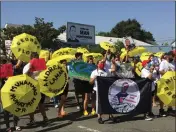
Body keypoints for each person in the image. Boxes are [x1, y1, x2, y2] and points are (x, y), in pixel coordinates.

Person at [90, 60, 119, 124]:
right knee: (99, 104)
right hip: (97, 90)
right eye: (101, 63)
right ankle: (99, 117)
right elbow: (90, 82)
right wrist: (95, 77)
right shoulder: (94, 72)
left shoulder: (106, 71)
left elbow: (114, 69)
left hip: (105, 90)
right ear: (97, 64)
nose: (102, 64)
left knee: (108, 102)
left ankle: (110, 116)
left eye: (103, 63)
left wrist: (114, 63)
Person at [23, 52, 48, 125]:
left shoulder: (41, 64)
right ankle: (43, 118)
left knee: (35, 104)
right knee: (37, 104)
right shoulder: (28, 65)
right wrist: (30, 69)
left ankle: (35, 119)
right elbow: (25, 76)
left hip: (36, 87)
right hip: (34, 86)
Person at [0, 59, 21, 132]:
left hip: (14, 92)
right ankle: (8, 127)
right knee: (6, 111)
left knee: (15, 109)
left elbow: (18, 66)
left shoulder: (13, 69)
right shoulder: (1, 71)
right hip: (4, 93)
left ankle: (16, 125)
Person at [159, 52, 175, 116]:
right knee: (162, 96)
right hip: (163, 82)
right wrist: (167, 72)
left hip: (171, 82)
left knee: (170, 96)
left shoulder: (173, 63)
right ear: (168, 56)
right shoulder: (163, 62)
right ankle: (161, 110)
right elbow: (160, 71)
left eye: (174, 56)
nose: (173, 57)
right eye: (172, 56)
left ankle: (170, 109)